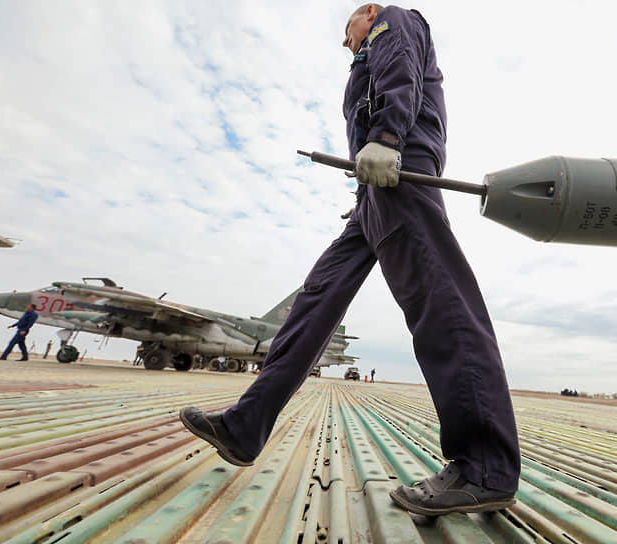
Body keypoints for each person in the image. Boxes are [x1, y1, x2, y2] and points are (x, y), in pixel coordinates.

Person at [180, 3, 521, 516]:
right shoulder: (369, 44)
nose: (346, 43)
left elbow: (399, 68)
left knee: (440, 305)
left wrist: (386, 139)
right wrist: (368, 191)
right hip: (373, 192)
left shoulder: (394, 20)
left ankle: (484, 466)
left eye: (347, 32)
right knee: (312, 305)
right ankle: (245, 425)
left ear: (366, 12)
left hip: (398, 170)